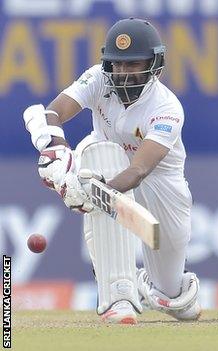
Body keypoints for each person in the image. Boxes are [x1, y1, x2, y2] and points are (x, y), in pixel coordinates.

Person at [23, 18, 200, 324]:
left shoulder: (166, 108)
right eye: (118, 65)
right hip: (102, 156)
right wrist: (57, 150)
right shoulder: (98, 79)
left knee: (169, 292)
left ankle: (160, 289)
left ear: (155, 65)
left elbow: (140, 170)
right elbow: (53, 112)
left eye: (134, 65)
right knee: (100, 154)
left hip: (160, 184)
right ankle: (118, 294)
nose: (124, 73)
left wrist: (96, 192)